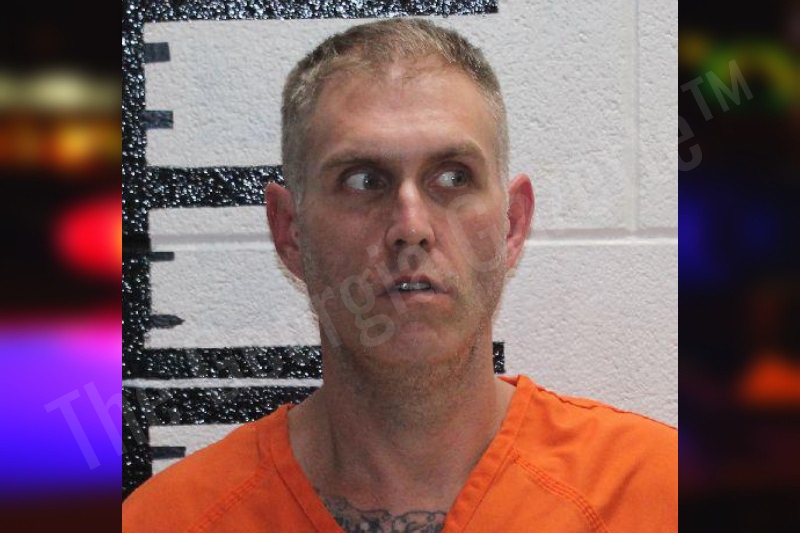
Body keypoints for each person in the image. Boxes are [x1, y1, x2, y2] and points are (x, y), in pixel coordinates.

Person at [123, 17, 677, 533]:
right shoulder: (167, 520)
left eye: (453, 178)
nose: (411, 227)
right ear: (290, 231)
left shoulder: (658, 494)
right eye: (364, 180)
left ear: (512, 225)